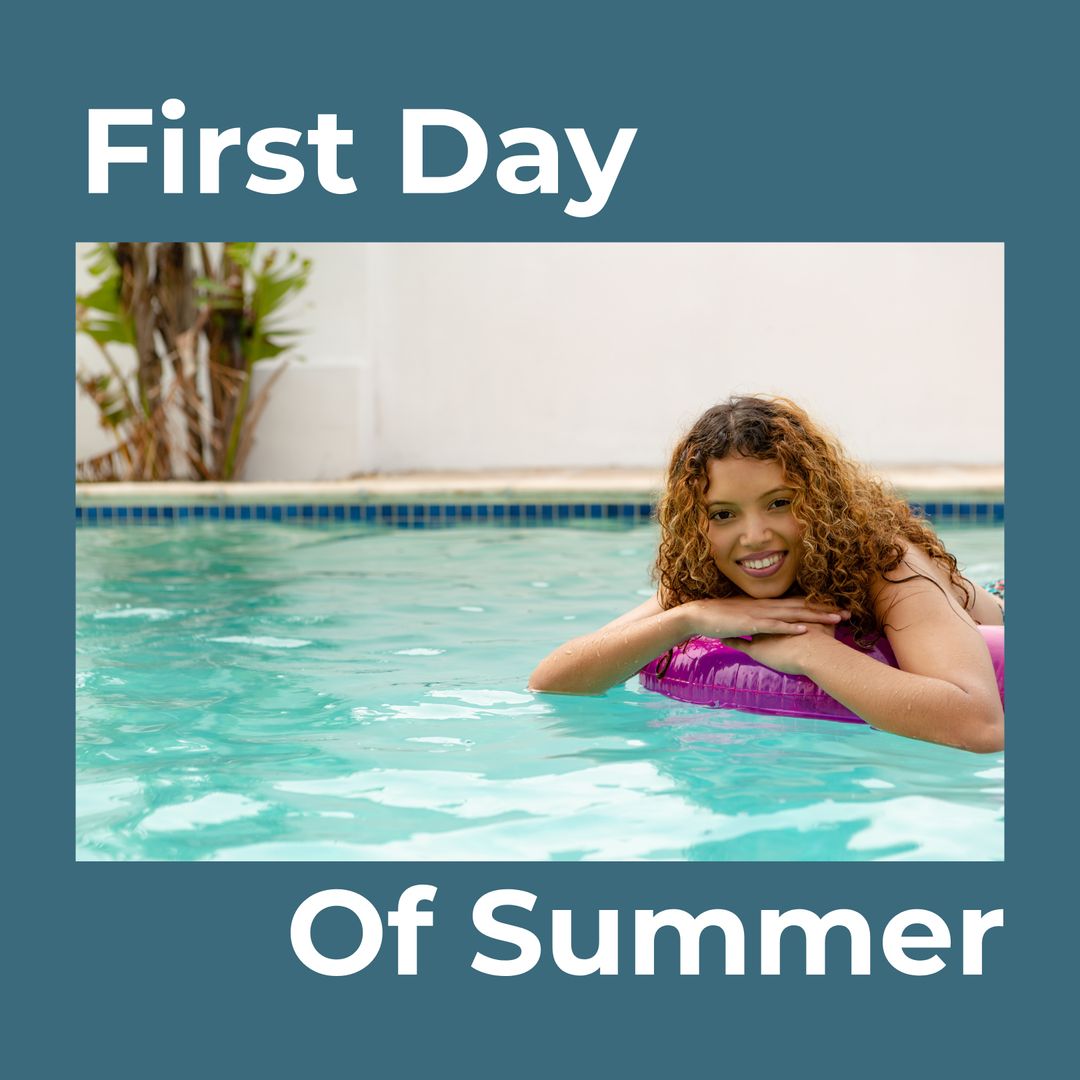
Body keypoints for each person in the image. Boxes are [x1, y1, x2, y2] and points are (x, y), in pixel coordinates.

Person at [529, 396, 1004, 753]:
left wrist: (810, 652)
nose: (753, 536)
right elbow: (551, 680)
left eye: (780, 503)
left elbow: (981, 726)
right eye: (723, 514)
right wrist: (686, 618)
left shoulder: (885, 565)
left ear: (818, 503)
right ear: (699, 523)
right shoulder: (706, 576)